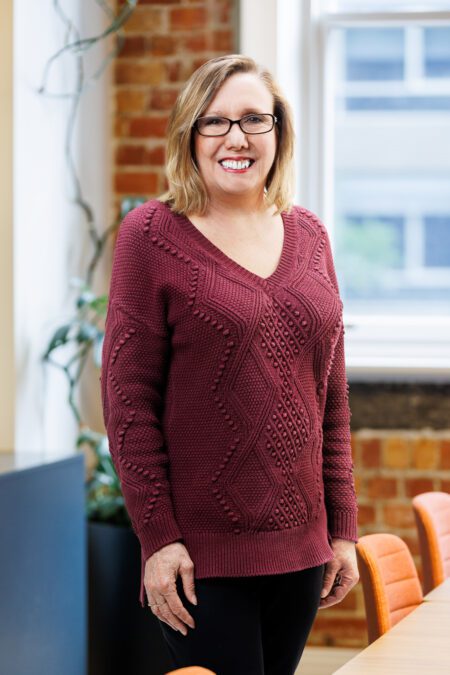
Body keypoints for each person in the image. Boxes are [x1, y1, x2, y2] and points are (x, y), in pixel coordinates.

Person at [100, 53, 359, 675]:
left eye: (253, 120)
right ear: (189, 135)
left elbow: (332, 396)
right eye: (214, 122)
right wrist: (158, 540)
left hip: (302, 552)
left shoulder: (311, 235)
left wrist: (342, 527)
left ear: (278, 132)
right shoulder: (151, 235)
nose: (235, 138)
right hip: (200, 560)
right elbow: (127, 402)